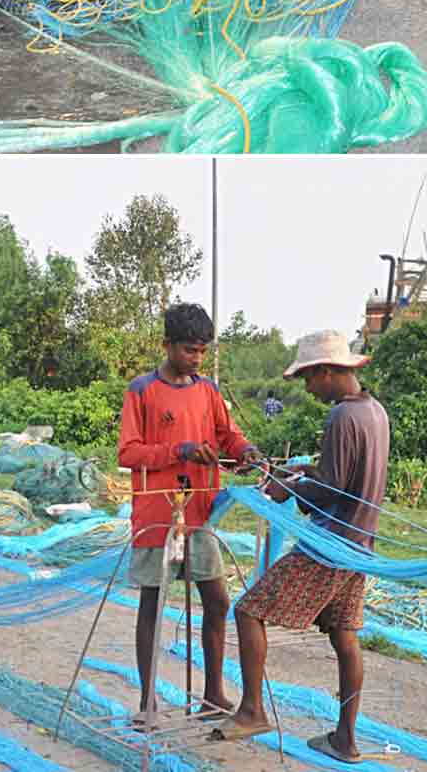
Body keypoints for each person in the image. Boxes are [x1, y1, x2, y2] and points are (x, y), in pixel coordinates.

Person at [212, 331, 390, 761]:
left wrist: (287, 490)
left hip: (329, 545)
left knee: (248, 610)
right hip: (358, 547)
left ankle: (252, 709)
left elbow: (332, 488)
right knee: (344, 636)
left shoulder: (342, 417)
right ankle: (345, 739)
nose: (308, 389)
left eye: (309, 379)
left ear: (327, 372)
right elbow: (342, 474)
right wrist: (300, 472)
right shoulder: (374, 411)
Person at [118, 303, 262, 723]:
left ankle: (213, 693)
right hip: (157, 513)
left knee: (217, 601)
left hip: (200, 512)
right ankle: (147, 701)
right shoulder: (141, 390)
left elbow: (228, 436)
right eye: (187, 350)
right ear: (166, 345)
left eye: (201, 351)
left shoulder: (208, 391)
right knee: (153, 603)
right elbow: (128, 452)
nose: (195, 359)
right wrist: (178, 451)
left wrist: (244, 451)